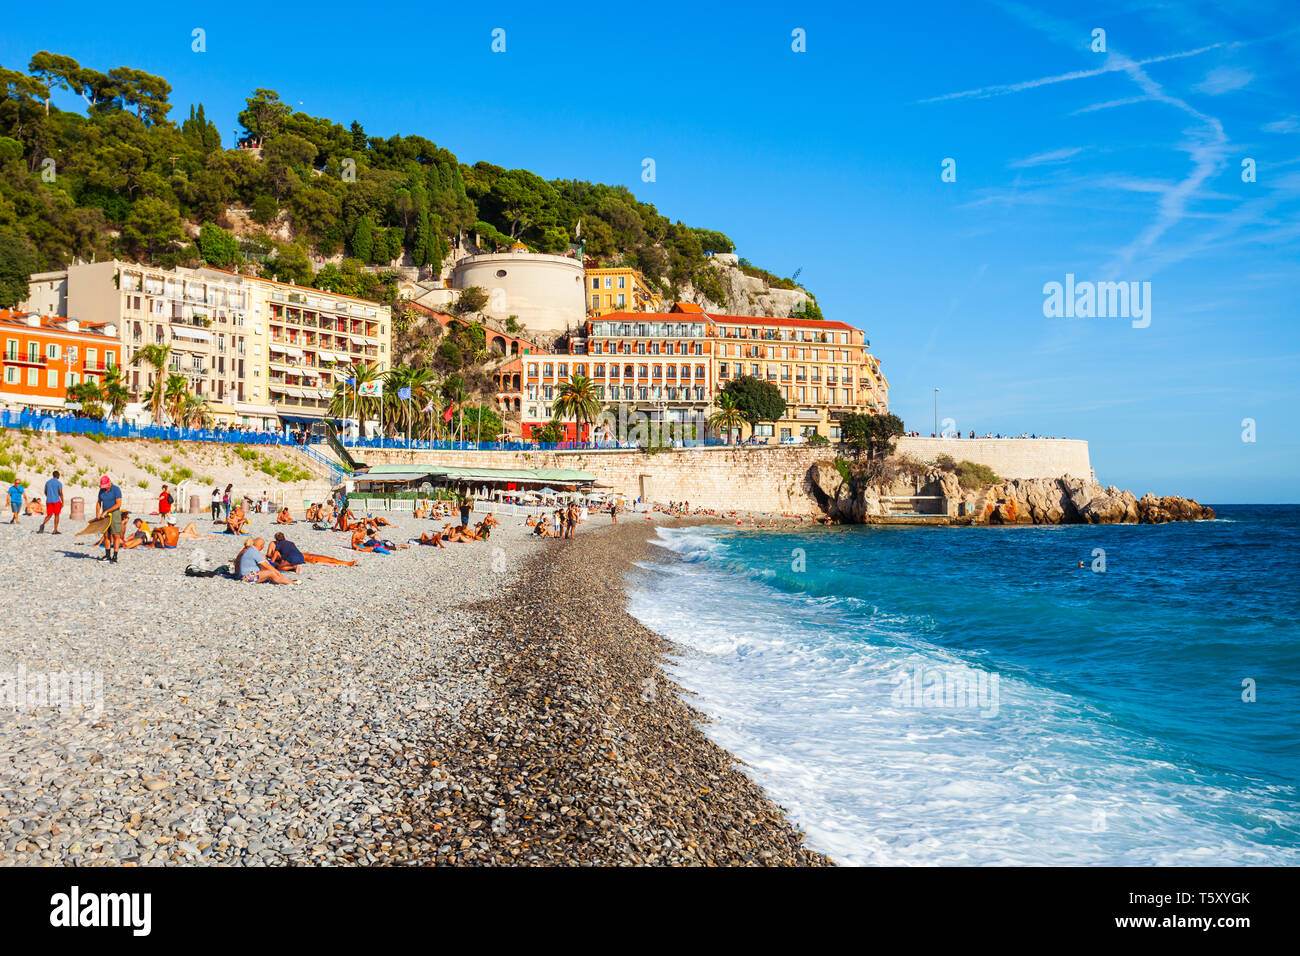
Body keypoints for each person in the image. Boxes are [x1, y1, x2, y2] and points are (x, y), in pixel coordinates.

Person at [96, 475, 123, 562]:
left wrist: (106, 511)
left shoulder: (116, 489)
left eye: (106, 486)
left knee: (116, 535)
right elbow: (99, 502)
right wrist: (97, 512)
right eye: (103, 487)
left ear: (109, 482)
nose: (105, 488)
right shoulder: (101, 491)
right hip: (105, 514)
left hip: (114, 513)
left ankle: (115, 556)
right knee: (106, 535)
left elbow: (118, 504)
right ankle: (107, 555)